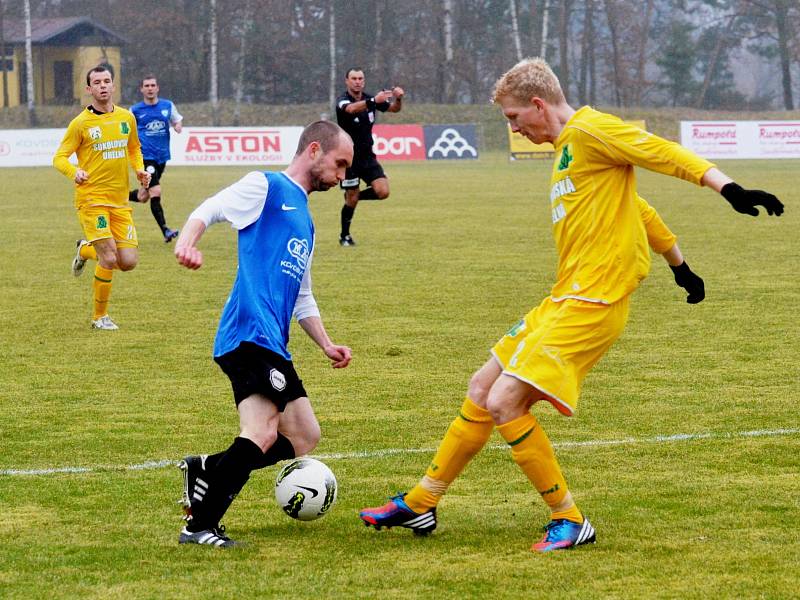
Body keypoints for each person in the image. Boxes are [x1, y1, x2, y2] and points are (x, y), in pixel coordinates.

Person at [359, 57, 782, 553]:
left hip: (594, 303)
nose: (515, 129)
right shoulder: (568, 151)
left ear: (539, 105)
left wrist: (727, 188)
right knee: (482, 386)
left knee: (505, 403)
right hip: (562, 299)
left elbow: (662, 152)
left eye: (515, 119)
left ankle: (569, 518)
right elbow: (637, 210)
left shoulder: (591, 130)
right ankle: (422, 502)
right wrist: (679, 264)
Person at [173, 120, 354, 547]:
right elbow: (210, 208)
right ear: (314, 150)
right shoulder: (267, 187)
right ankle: (199, 526)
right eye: (340, 163)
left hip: (274, 341)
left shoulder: (306, 222)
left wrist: (326, 344)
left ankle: (208, 470)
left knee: (305, 435)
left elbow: (302, 296)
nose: (343, 174)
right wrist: (187, 240)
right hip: (248, 332)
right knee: (262, 431)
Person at [53, 66, 150, 330]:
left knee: (127, 262)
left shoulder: (126, 118)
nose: (103, 86)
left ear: (113, 85)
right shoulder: (81, 123)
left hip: (119, 201)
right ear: (89, 89)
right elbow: (59, 158)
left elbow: (134, 148)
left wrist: (139, 169)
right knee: (108, 258)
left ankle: (84, 249)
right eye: (97, 82)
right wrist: (75, 172)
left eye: (107, 81)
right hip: (91, 199)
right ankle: (99, 317)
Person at [335, 68, 404, 246]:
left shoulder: (371, 98)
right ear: (347, 81)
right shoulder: (343, 100)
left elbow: (394, 109)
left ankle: (354, 195)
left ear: (363, 81)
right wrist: (373, 101)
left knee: (383, 191)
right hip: (348, 159)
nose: (357, 81)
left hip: (367, 157)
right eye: (354, 78)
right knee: (351, 200)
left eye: (360, 78)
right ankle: (345, 236)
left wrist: (398, 98)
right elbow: (350, 109)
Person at [128, 75, 183, 242]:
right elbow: (126, 128)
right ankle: (165, 230)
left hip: (162, 157)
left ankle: (118, 194)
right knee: (155, 191)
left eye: (153, 85)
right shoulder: (135, 110)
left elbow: (177, 120)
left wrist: (177, 125)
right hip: (146, 157)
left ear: (157, 88)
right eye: (147, 85)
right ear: (142, 89)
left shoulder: (167, 105)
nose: (150, 88)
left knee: (143, 197)